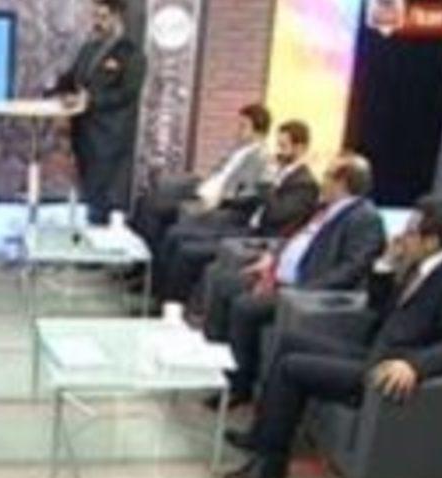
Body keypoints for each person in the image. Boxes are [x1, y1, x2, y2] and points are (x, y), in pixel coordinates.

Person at [223, 196, 442, 478]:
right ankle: (262, 434)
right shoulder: (421, 266)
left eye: (411, 233)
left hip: (385, 368)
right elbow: (379, 308)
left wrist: (414, 366)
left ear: (432, 241)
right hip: (374, 350)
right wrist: (386, 264)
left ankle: (270, 461)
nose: (402, 237)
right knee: (290, 341)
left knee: (292, 367)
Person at [207, 152, 385, 409]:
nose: (322, 181)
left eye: (327, 176)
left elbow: (352, 270)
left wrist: (299, 291)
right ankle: (216, 366)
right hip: (279, 277)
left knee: (245, 308)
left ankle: (240, 385)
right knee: (224, 283)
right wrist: (272, 259)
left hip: (303, 292)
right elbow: (298, 240)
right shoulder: (326, 209)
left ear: (343, 182)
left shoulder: (364, 218)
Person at [154, 120, 319, 305]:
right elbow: (253, 199)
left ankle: (174, 305)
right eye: (278, 145)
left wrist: (267, 184)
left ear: (300, 148)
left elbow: (276, 214)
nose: (278, 151)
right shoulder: (281, 173)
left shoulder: (304, 184)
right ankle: (157, 294)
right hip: (244, 224)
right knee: (176, 235)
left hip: (261, 238)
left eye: (284, 146)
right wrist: (227, 201)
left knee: (187, 252)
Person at [49, 0, 147, 226]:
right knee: (90, 191)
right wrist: (55, 88)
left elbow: (127, 94)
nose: (97, 23)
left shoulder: (131, 54)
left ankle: (103, 232)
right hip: (84, 132)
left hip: (109, 136)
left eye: (103, 17)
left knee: (106, 195)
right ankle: (91, 226)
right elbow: (72, 78)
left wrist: (91, 100)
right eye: (95, 17)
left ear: (117, 17)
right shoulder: (89, 49)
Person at [132, 104, 271, 251]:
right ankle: (137, 249)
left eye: (243, 126)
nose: (238, 130)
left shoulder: (260, 157)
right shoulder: (240, 149)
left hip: (213, 200)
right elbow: (219, 172)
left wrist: (217, 199)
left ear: (258, 130)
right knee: (147, 200)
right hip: (203, 189)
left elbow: (244, 191)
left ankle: (149, 254)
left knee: (159, 210)